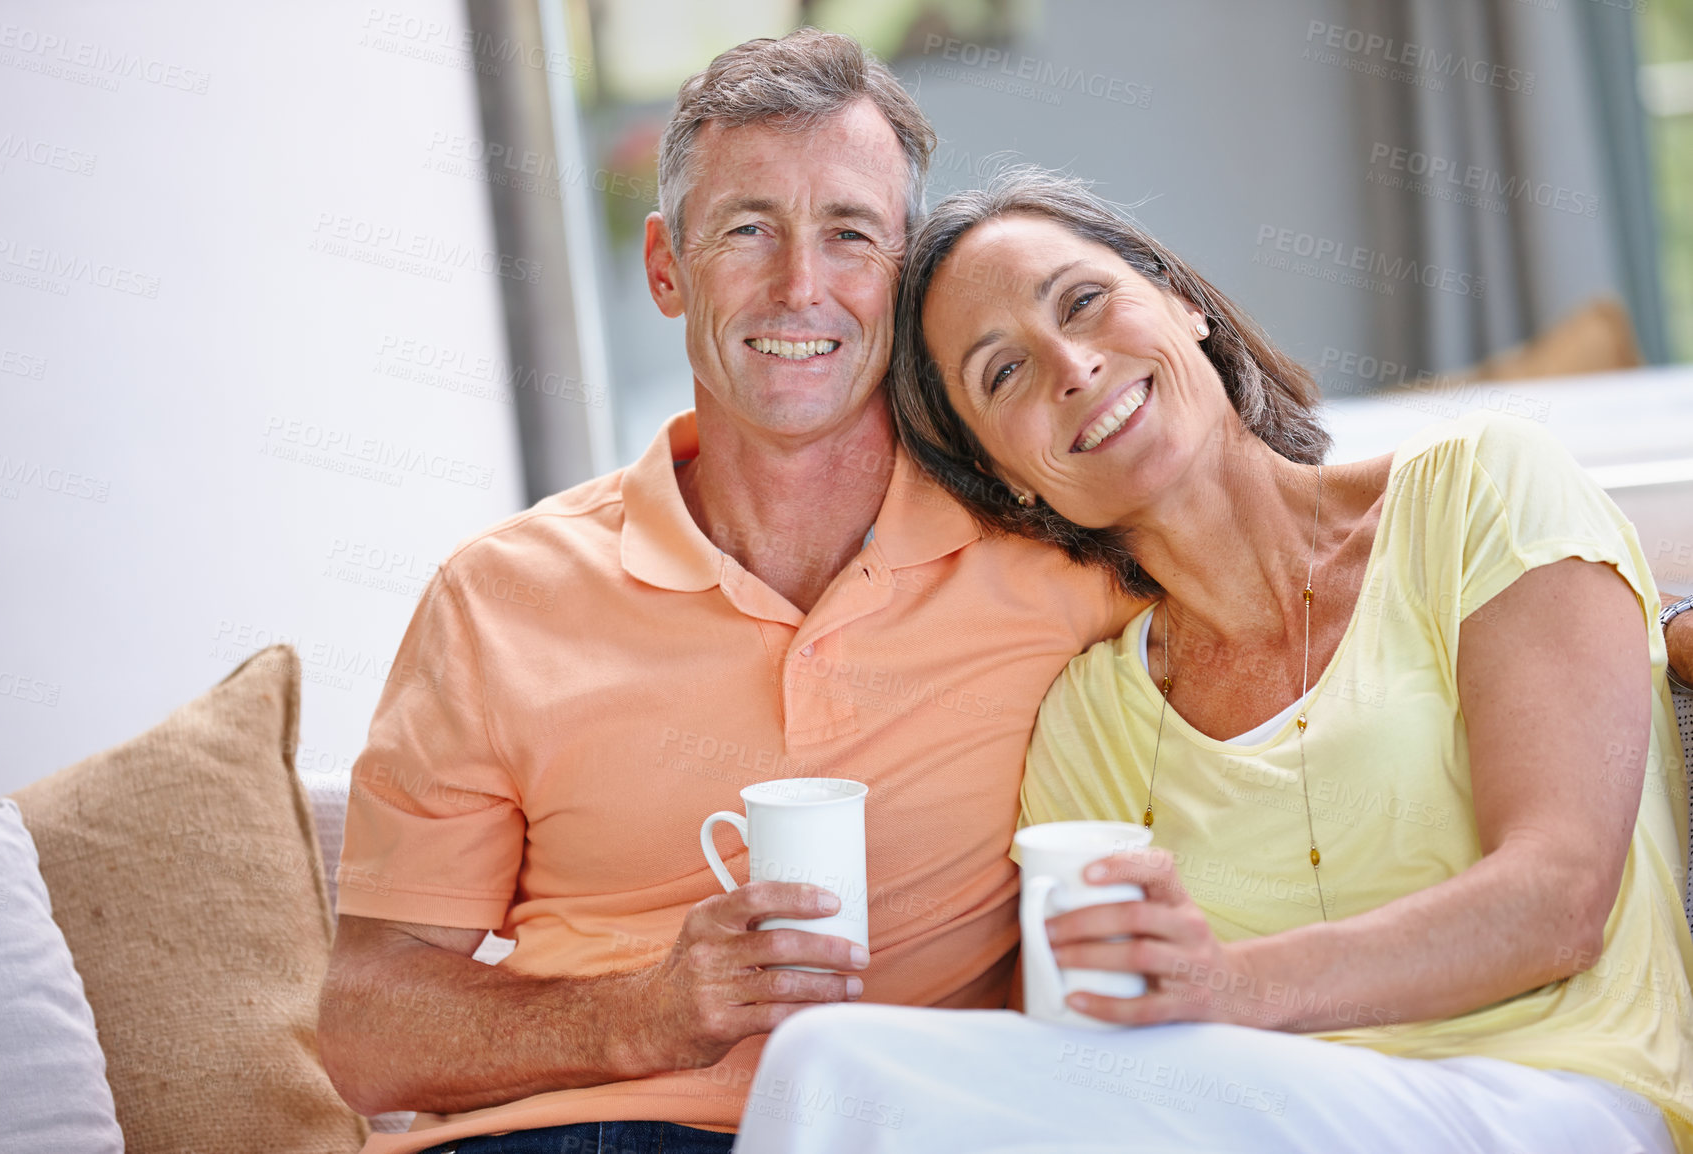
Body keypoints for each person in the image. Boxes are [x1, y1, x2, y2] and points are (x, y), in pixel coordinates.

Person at [734, 167, 1693, 1154]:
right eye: (1003, 374)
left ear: (1183, 302)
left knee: (830, 1071)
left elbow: (1558, 899)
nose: (1069, 363)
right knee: (829, 1063)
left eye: (1085, 300)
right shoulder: (1090, 721)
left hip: (1551, 1103)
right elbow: (1072, 1064)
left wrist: (1230, 985)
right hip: (1249, 1119)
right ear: (1006, 480)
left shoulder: (1480, 490)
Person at [317, 34, 1141, 1154]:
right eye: (748, 229)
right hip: (575, 1135)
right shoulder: (497, 599)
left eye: (850, 234)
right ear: (667, 267)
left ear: (906, 281)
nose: (799, 286)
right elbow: (366, 1030)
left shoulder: (1053, 558)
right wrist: (645, 1011)